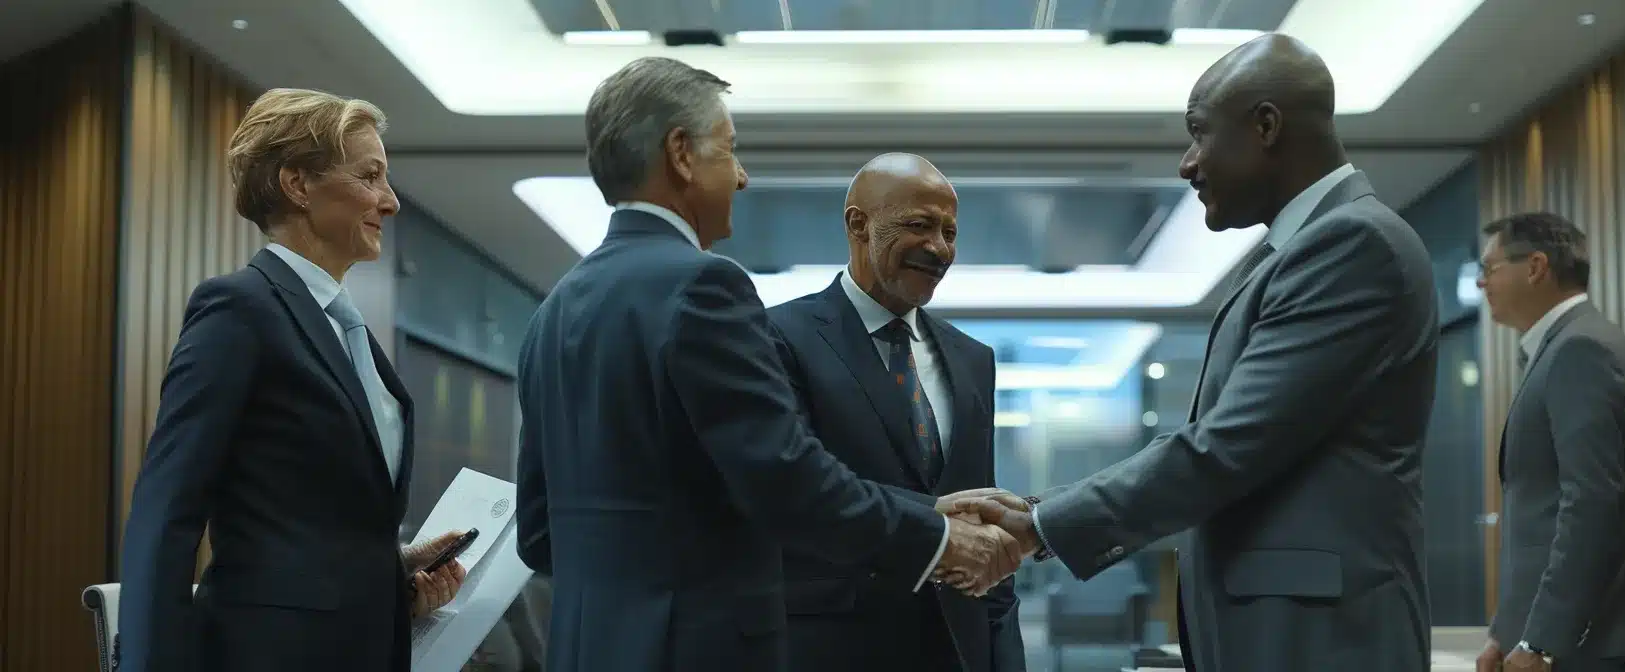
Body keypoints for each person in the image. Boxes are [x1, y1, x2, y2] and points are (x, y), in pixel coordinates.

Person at [512, 57, 1022, 672]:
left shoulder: (555, 311)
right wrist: (937, 536)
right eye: (729, 151)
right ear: (680, 154)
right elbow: (787, 482)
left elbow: (539, 535)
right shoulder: (704, 286)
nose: (743, 177)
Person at [950, 34, 1440, 671]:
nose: (1187, 163)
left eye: (1200, 134)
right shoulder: (1310, 251)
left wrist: (1043, 527)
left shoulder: (1350, 245)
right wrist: (1046, 511)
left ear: (1265, 125)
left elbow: (1229, 445)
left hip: (1318, 641)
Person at [117, 88, 467, 672]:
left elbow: (309, 521)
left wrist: (394, 566)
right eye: (370, 176)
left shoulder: (343, 327)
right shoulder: (239, 310)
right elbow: (167, 508)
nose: (390, 201)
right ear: (297, 185)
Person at [765, 153, 1026, 672]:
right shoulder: (776, 338)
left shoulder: (974, 360)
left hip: (960, 650)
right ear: (858, 224)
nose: (940, 249)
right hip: (831, 650)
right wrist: (933, 524)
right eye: (919, 226)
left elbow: (986, 520)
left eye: (950, 232)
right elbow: (788, 497)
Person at [1473, 212, 1625, 672]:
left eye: (1489, 268)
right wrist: (1505, 632)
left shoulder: (1582, 350)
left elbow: (1589, 503)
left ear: (1536, 266)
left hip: (1583, 639)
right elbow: (1540, 515)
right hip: (1562, 636)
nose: (1483, 284)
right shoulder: (1560, 348)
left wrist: (1543, 641)